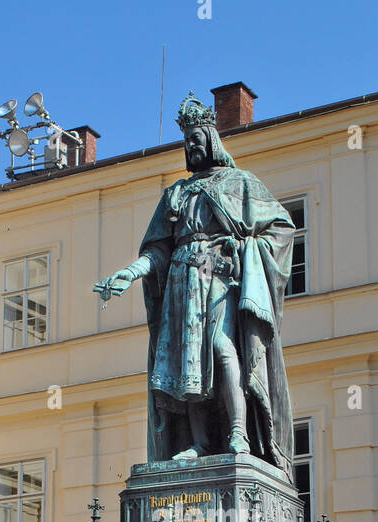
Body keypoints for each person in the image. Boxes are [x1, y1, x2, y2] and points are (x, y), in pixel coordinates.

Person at [94, 94, 295, 476]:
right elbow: (158, 249)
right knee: (187, 362)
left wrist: (242, 247)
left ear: (211, 138)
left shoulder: (241, 183)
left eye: (196, 138)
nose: (191, 146)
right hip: (180, 285)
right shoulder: (176, 193)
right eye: (186, 141)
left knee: (221, 349)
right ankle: (198, 443)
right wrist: (131, 273)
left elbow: (282, 228)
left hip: (220, 276)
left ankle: (239, 433)